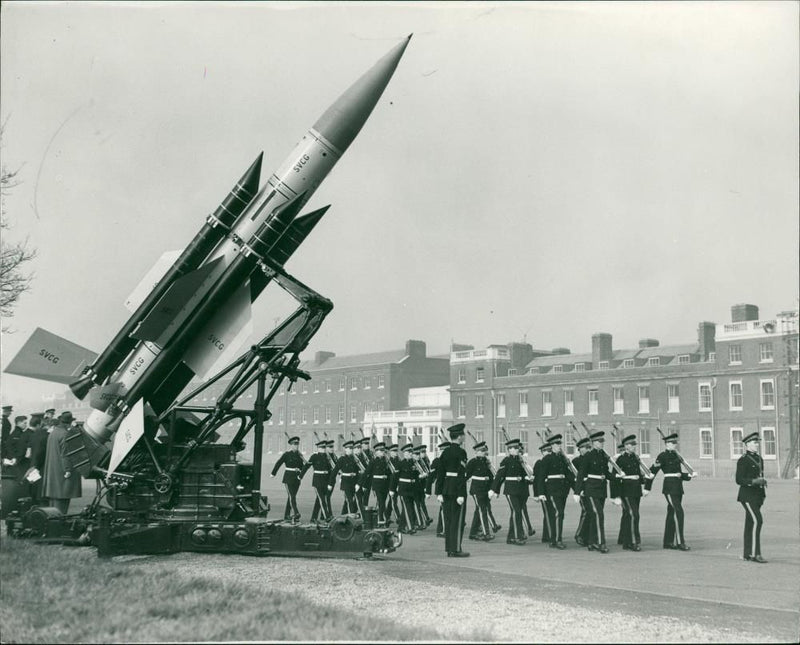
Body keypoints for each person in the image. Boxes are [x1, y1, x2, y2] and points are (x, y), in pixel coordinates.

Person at [646, 432, 694, 551]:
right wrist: (647, 487)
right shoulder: (662, 456)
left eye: (675, 443)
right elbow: (652, 472)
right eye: (672, 443)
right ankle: (680, 542)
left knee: (671, 513)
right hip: (669, 488)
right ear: (667, 444)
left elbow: (679, 473)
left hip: (678, 487)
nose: (675, 445)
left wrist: (688, 475)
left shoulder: (677, 455)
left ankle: (668, 542)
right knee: (679, 512)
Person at [574, 431, 615, 554]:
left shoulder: (603, 455)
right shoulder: (588, 456)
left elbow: (606, 473)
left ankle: (591, 542)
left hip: (601, 489)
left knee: (594, 516)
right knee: (598, 514)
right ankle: (600, 543)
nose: (601, 444)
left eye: (602, 441)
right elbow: (581, 474)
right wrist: (577, 492)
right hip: (590, 489)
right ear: (592, 443)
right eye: (598, 442)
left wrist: (617, 477)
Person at [435, 423, 469, 557]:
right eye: (463, 435)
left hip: (446, 489)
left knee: (449, 520)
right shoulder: (461, 452)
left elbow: (440, 473)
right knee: (457, 521)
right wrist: (461, 494)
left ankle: (449, 548)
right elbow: (461, 474)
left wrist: (439, 492)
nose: (464, 437)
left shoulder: (445, 452)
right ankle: (455, 549)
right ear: (459, 437)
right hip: (456, 490)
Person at [490, 438, 529, 545]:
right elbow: (499, 476)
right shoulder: (506, 461)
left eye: (517, 448)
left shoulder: (520, 460)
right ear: (509, 450)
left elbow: (525, 474)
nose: (517, 450)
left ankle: (511, 537)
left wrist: (528, 478)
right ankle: (517, 537)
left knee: (516, 512)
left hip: (521, 489)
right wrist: (494, 489)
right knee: (516, 511)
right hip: (510, 490)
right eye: (514, 448)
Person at [615, 434, 650, 551]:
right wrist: (616, 495)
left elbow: (638, 474)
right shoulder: (620, 459)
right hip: (626, 490)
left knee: (630, 515)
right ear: (626, 446)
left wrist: (644, 480)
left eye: (634, 445)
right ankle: (634, 541)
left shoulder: (635, 458)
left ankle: (626, 541)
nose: (634, 447)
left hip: (636, 490)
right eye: (631, 445)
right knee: (634, 514)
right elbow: (615, 477)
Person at [736, 431, 767, 563]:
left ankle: (747, 554)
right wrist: (753, 481)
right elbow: (739, 479)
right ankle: (755, 554)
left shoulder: (759, 459)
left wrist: (761, 482)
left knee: (750, 523)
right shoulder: (743, 460)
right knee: (757, 521)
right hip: (747, 495)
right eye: (754, 443)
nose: (757, 445)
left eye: (757, 442)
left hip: (757, 496)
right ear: (747, 444)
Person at [42, 412, 82, 514]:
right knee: (62, 503)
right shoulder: (65, 434)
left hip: (53, 472)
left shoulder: (53, 433)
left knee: (53, 504)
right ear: (69, 423)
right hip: (61, 473)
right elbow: (65, 455)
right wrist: (67, 470)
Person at [540, 434, 575, 549]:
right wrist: (540, 493)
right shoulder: (547, 459)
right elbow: (541, 477)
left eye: (560, 443)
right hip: (552, 490)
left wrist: (577, 487)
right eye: (557, 444)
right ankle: (557, 539)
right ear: (551, 446)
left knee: (558, 515)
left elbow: (568, 475)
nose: (559, 446)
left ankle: (553, 539)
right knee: (558, 513)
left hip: (562, 490)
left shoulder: (562, 459)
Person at [270, 435, 305, 522]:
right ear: (291, 445)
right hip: (288, 477)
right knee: (292, 496)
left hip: (297, 478)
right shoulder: (287, 454)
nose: (296, 446)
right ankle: (296, 512)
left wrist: (300, 471)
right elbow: (279, 463)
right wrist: (273, 473)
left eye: (297, 444)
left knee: (291, 497)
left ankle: (287, 515)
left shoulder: (300, 455)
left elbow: (303, 466)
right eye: (294, 444)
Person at [466, 440, 495, 541]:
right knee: (482, 510)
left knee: (479, 511)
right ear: (476, 452)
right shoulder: (472, 462)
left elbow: (491, 477)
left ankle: (473, 533)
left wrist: (492, 489)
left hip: (485, 489)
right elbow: (466, 475)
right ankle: (486, 533)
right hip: (476, 489)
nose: (484, 453)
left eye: (485, 451)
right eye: (482, 451)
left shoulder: (486, 462)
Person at [1, 414, 27, 518]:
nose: (26, 425)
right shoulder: (17, 434)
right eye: (24, 423)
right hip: (15, 465)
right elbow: (10, 447)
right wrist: (14, 458)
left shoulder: (18, 433)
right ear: (19, 423)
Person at [359, 442, 391, 526]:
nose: (382, 452)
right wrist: (360, 484)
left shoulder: (386, 461)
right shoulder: (373, 461)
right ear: (376, 452)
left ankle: (381, 517)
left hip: (385, 484)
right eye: (380, 451)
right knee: (381, 502)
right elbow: (366, 473)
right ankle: (381, 519)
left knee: (383, 502)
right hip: (377, 484)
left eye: (383, 451)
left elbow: (390, 474)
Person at [302, 440, 333, 522]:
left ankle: (313, 518)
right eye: (322, 447)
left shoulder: (328, 457)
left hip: (325, 480)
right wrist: (300, 476)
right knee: (322, 499)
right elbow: (306, 466)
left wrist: (330, 481)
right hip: (317, 480)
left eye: (324, 447)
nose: (323, 449)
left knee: (319, 500)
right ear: (318, 448)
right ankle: (327, 517)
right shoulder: (314, 456)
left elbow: (330, 470)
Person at [331, 440, 361, 515]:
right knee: (350, 500)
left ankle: (343, 515)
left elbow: (358, 472)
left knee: (351, 500)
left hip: (354, 481)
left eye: (352, 448)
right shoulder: (342, 459)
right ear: (345, 449)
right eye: (349, 448)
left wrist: (358, 483)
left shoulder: (355, 459)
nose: (351, 450)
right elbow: (335, 471)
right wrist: (330, 483)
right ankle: (352, 516)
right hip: (346, 482)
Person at [572, 437, 592, 546]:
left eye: (589, 447)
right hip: (583, 489)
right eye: (584, 448)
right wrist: (579, 491)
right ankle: (579, 534)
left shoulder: (592, 458)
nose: (587, 449)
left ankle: (588, 536)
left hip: (592, 488)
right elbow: (576, 478)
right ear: (579, 449)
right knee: (586, 511)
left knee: (592, 512)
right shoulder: (576, 461)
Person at [531, 440, 551, 543]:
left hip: (552, 491)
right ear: (542, 452)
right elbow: (536, 480)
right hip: (543, 491)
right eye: (546, 451)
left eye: (549, 450)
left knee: (551, 513)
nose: (548, 452)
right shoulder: (539, 463)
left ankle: (548, 534)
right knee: (547, 513)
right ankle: (547, 536)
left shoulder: (552, 461)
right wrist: (536, 494)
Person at [428, 439, 449, 537]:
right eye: (443, 451)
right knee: (444, 509)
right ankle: (443, 530)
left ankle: (441, 529)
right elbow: (431, 477)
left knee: (446, 509)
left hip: (451, 488)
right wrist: (429, 492)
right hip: (442, 488)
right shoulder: (437, 461)